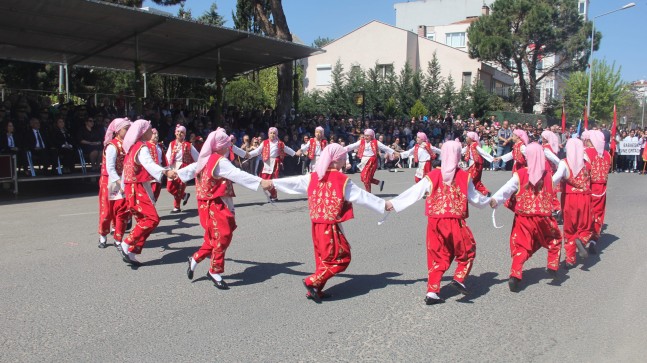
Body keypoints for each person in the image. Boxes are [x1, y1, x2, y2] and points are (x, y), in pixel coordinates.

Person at [271, 144, 386, 303]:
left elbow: (293, 183)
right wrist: (384, 205)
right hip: (330, 225)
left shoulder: (313, 176)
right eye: (343, 159)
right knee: (341, 258)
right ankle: (312, 281)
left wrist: (271, 183)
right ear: (336, 160)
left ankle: (316, 290)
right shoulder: (341, 179)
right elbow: (361, 196)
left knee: (322, 258)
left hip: (316, 224)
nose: (345, 162)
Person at [386, 140, 491, 305]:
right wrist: (489, 201)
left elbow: (415, 192)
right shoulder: (464, 176)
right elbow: (476, 199)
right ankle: (459, 278)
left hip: (435, 222)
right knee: (467, 251)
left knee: (438, 256)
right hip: (456, 222)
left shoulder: (433, 175)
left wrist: (394, 203)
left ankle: (432, 292)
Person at [178, 129, 273, 290]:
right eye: (227, 144)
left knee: (213, 238)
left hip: (209, 203)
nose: (229, 147)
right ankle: (214, 270)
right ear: (221, 146)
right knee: (223, 236)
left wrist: (176, 173)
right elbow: (237, 174)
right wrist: (259, 182)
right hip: (214, 203)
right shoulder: (219, 161)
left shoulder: (206, 158)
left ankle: (194, 259)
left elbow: (191, 168)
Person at [489, 143, 563, 292]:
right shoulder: (549, 175)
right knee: (554, 240)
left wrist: (496, 199)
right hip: (544, 217)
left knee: (521, 245)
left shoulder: (521, 173)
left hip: (523, 217)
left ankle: (515, 274)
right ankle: (552, 266)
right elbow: (561, 169)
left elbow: (508, 188)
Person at [120, 119, 177, 266]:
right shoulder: (141, 147)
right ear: (142, 131)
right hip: (137, 188)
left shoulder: (133, 147)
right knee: (152, 219)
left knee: (143, 221)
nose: (152, 131)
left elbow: (126, 171)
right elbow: (149, 164)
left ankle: (132, 252)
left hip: (132, 188)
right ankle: (127, 243)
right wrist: (165, 171)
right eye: (149, 129)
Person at [552, 138, 592, 268]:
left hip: (569, 198)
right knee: (585, 225)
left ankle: (570, 258)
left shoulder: (564, 163)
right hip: (585, 197)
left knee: (569, 227)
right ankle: (582, 239)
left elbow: (556, 178)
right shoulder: (586, 162)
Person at [97, 118, 131, 249]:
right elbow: (110, 168)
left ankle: (118, 238)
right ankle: (103, 235)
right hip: (110, 180)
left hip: (123, 180)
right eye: (125, 129)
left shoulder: (129, 144)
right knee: (107, 210)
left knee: (122, 210)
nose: (128, 132)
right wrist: (120, 183)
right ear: (118, 131)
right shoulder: (112, 145)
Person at [246, 127, 297, 202]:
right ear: (268, 134)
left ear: (276, 134)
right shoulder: (265, 142)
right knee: (264, 179)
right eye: (271, 133)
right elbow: (258, 151)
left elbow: (287, 149)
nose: (272, 135)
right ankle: (272, 194)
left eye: (274, 133)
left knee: (272, 180)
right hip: (267, 163)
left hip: (275, 163)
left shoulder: (279, 143)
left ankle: (274, 195)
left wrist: (295, 153)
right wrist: (249, 154)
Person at [584, 130, 611, 253]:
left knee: (586, 213)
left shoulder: (587, 153)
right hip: (602, 189)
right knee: (598, 214)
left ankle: (584, 236)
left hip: (589, 188)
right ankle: (594, 239)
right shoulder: (607, 154)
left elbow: (584, 172)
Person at [166, 124, 199, 212]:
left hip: (183, 167)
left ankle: (176, 207)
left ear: (184, 134)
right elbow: (168, 156)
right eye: (178, 132)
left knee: (179, 187)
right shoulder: (172, 144)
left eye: (182, 132)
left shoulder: (188, 145)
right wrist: (167, 167)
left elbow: (198, 157)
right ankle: (184, 196)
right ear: (175, 133)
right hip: (173, 166)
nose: (179, 133)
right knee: (170, 187)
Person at [462, 131, 494, 196]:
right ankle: (486, 192)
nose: (466, 138)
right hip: (473, 164)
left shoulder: (474, 145)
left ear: (471, 138)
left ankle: (465, 193)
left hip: (476, 164)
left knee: (468, 179)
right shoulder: (468, 146)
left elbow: (482, 152)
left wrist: (492, 158)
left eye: (467, 137)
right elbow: (461, 151)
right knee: (476, 181)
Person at [147, 128, 166, 202]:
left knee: (157, 188)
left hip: (159, 168)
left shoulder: (159, 146)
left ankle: (153, 203)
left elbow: (163, 158)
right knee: (152, 188)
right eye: (154, 134)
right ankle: (150, 204)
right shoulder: (146, 145)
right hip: (150, 170)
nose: (156, 135)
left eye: (157, 134)